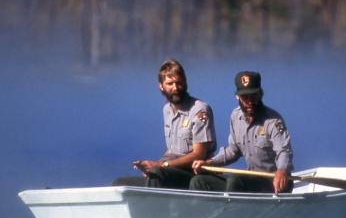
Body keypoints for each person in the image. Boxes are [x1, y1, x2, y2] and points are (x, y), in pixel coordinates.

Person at [112, 59, 216, 189]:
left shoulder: (200, 110)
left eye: (179, 82)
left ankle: (153, 208)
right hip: (170, 171)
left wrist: (162, 166)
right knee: (120, 183)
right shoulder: (167, 109)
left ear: (185, 83)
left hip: (195, 174)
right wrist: (153, 164)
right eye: (170, 83)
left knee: (157, 173)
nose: (175, 88)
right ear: (161, 86)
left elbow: (199, 154)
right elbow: (172, 150)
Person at [190, 71, 293, 194]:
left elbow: (284, 151)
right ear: (237, 97)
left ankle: (229, 212)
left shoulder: (273, 121)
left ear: (261, 94)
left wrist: (281, 171)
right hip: (250, 180)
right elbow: (233, 151)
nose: (250, 101)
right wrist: (208, 163)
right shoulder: (235, 116)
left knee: (235, 181)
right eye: (245, 97)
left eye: (253, 96)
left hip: (273, 182)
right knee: (199, 181)